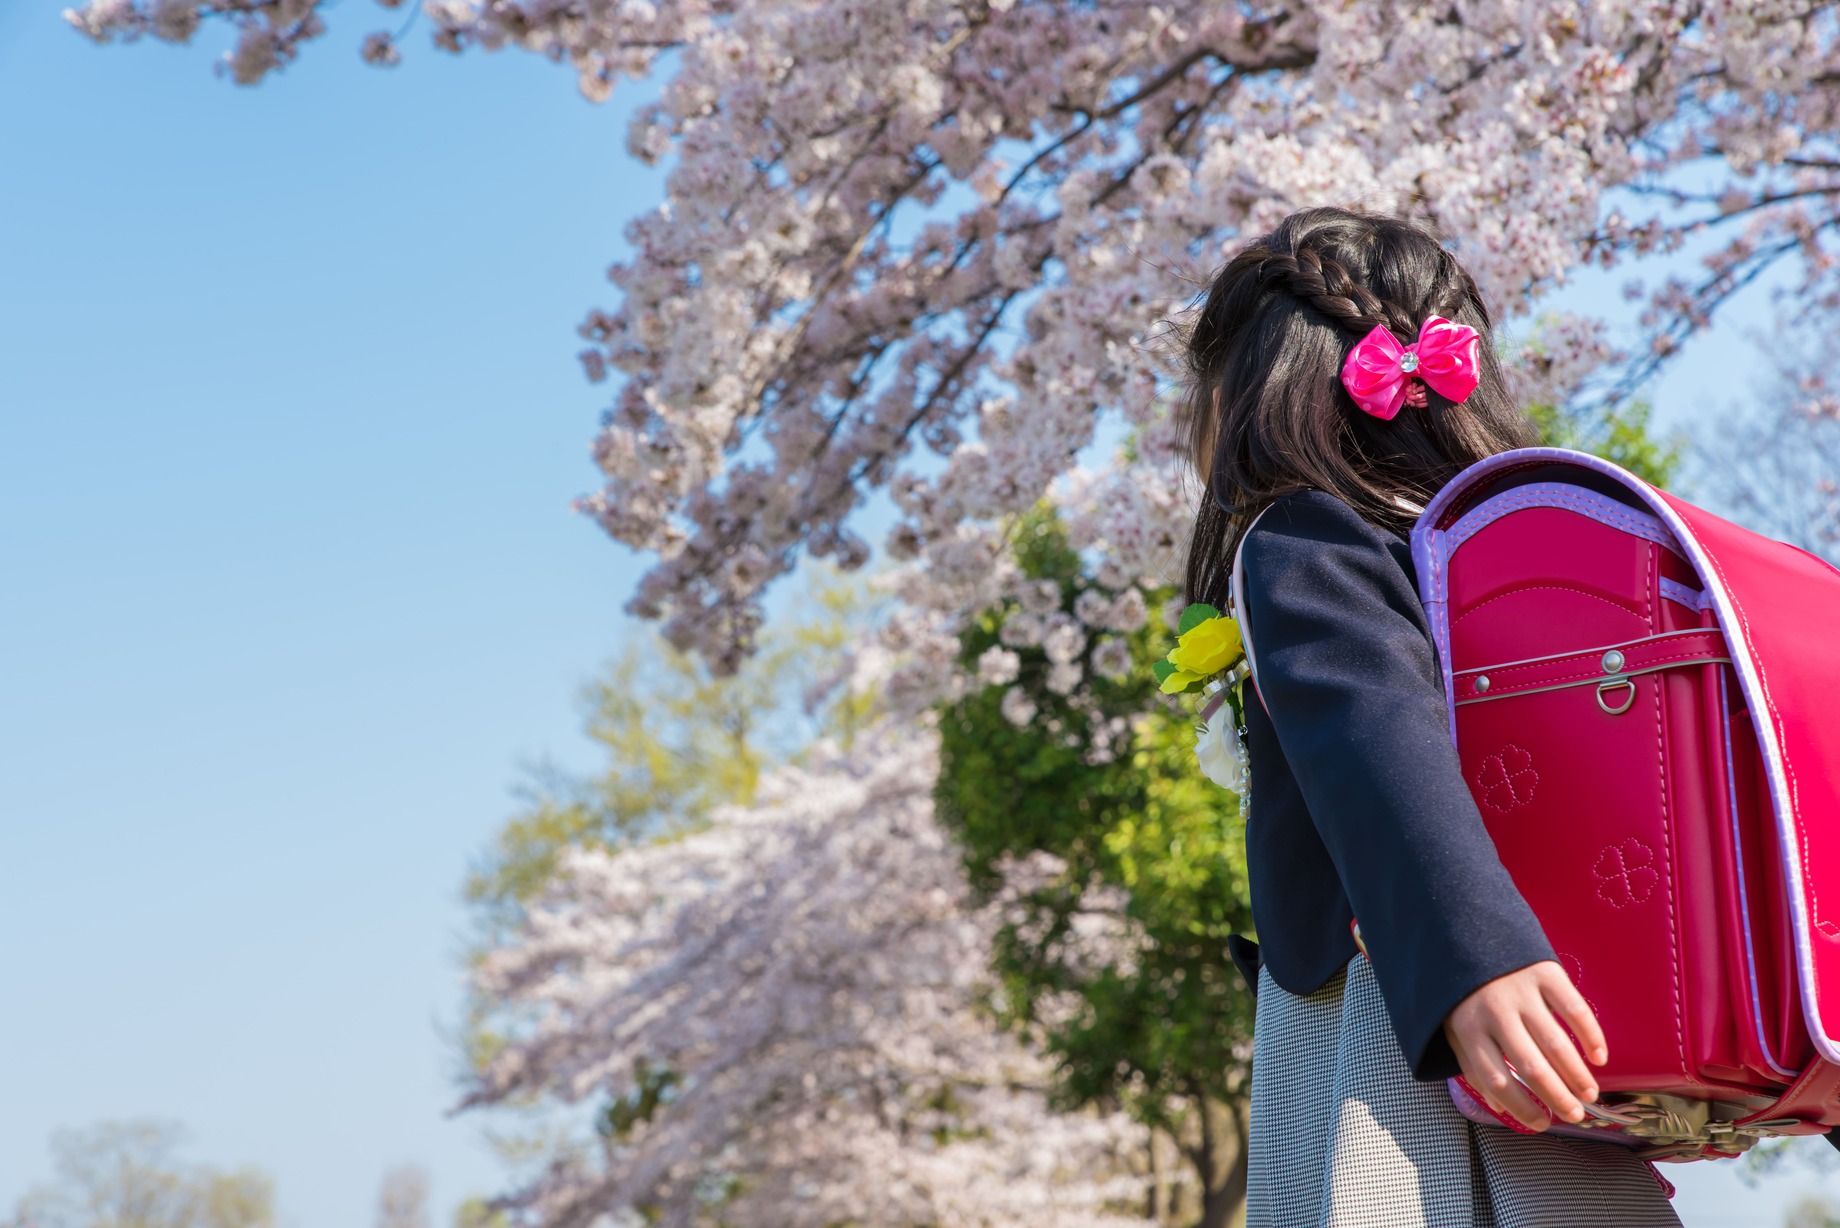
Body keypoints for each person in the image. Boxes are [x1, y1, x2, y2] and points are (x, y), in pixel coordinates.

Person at [1181, 206, 1682, 1226]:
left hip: (1398, 1007)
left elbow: (1371, 734)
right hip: (1565, 1011)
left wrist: (1470, 955)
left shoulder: (1301, 535)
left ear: (1246, 389)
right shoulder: (1528, 557)